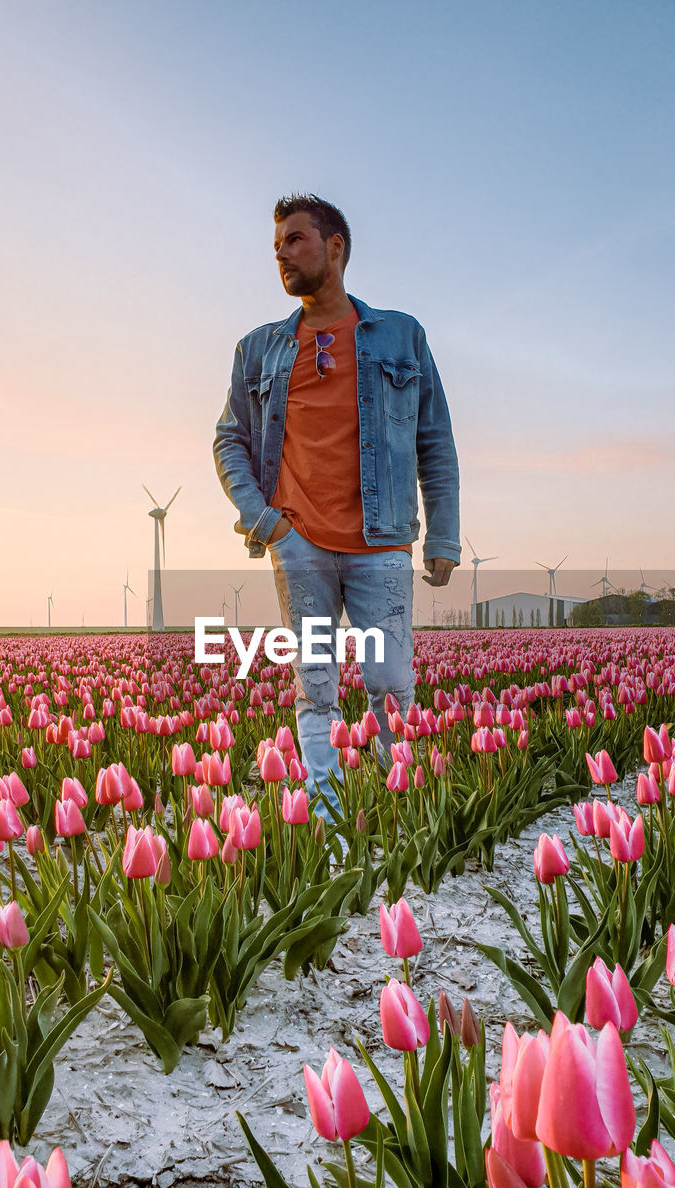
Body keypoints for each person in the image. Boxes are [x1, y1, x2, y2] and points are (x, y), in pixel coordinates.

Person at [213, 193, 460, 822]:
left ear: (336, 247)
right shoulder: (259, 349)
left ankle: (398, 810)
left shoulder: (401, 336)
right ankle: (323, 819)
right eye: (276, 248)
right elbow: (229, 439)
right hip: (301, 547)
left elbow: (435, 440)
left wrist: (442, 538)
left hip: (380, 544)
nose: (283, 256)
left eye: (295, 241)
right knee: (315, 688)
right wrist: (263, 520)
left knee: (390, 686)